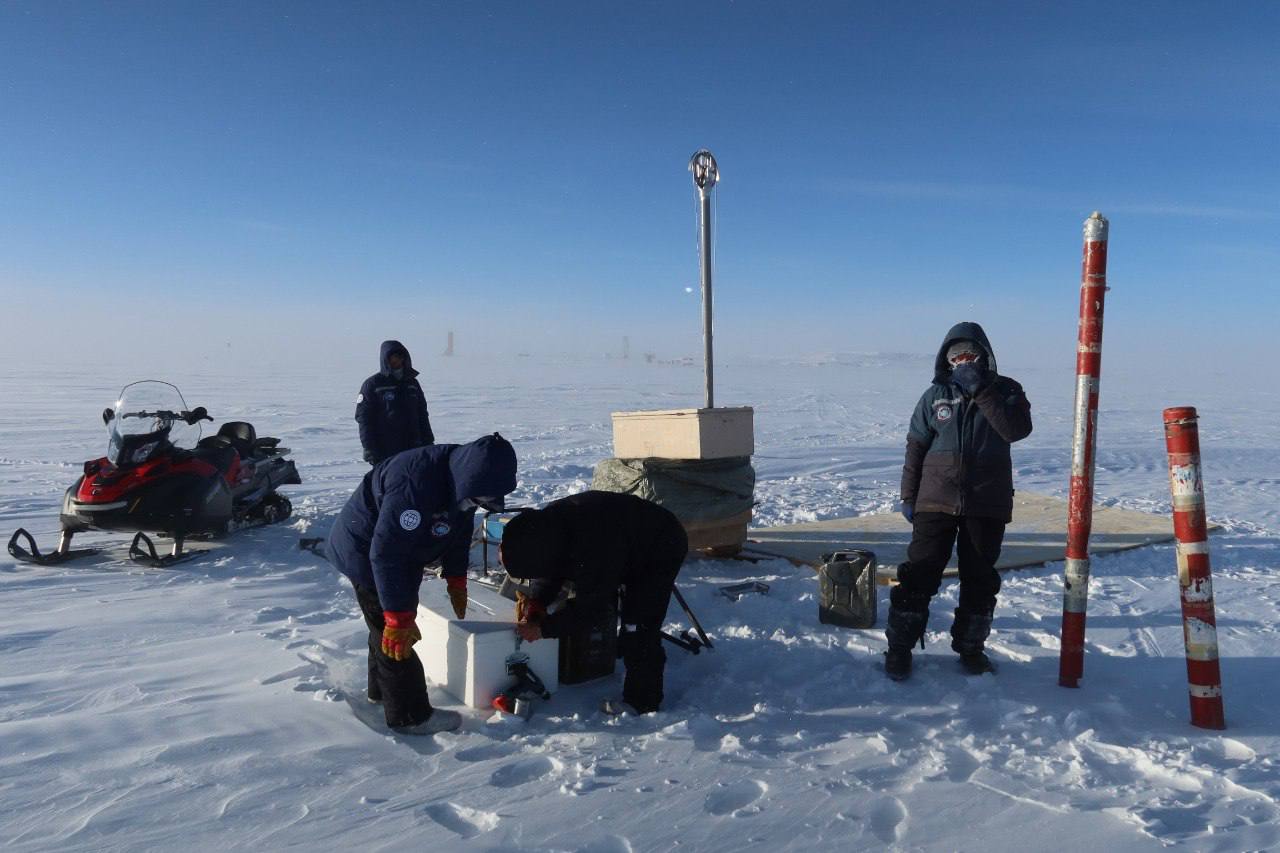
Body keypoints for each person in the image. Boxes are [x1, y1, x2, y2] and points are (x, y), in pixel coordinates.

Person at [325, 433, 517, 733]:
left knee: (382, 627)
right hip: (365, 553)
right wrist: (398, 616)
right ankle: (410, 715)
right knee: (395, 635)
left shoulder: (466, 478)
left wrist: (456, 577)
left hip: (400, 552)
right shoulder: (414, 485)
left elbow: (459, 527)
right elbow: (387, 553)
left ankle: (381, 692)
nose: (479, 504)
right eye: (479, 499)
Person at [889, 321, 1033, 681]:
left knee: (980, 578)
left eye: (970, 354)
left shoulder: (1007, 390)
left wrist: (981, 390)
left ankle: (971, 649)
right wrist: (909, 494)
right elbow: (916, 446)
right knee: (919, 574)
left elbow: (1015, 430)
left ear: (984, 355)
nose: (964, 361)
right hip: (935, 500)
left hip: (987, 502)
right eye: (956, 356)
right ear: (946, 359)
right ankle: (899, 648)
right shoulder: (934, 396)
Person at [498, 491, 688, 715]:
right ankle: (627, 653)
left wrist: (543, 629)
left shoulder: (592, 548)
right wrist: (539, 601)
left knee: (638, 624)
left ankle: (642, 702)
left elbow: (592, 609)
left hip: (659, 546)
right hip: (622, 541)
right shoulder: (547, 527)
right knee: (624, 614)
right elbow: (553, 568)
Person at [356, 340, 435, 465]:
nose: (398, 360)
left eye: (401, 356)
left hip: (413, 446)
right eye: (394, 357)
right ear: (386, 359)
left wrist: (428, 440)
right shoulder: (373, 384)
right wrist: (369, 448)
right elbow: (364, 418)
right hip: (385, 450)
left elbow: (422, 413)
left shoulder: (412, 383)